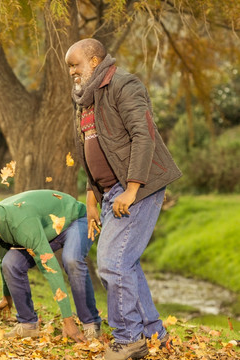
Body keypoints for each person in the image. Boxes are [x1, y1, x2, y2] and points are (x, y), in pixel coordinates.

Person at [64, 38, 182, 360]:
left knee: (112, 264)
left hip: (138, 186)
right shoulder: (85, 101)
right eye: (69, 66)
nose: (72, 71)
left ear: (95, 59)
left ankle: (129, 340)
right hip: (110, 192)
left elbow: (143, 135)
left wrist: (132, 188)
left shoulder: (123, 84)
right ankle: (155, 334)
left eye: (76, 64)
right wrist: (91, 201)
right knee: (125, 264)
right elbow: (91, 153)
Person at [0, 189, 102, 343]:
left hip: (74, 219)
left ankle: (91, 324)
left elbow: (50, 268)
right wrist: (6, 297)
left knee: (71, 260)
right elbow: (3, 260)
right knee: (10, 263)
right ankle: (28, 324)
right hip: (46, 230)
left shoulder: (20, 223)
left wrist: (67, 321)